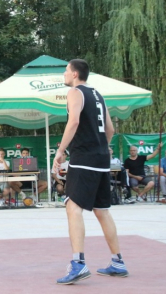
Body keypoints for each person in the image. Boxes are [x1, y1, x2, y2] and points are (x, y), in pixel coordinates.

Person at [53, 59, 128, 285]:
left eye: (66, 71)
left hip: (84, 158)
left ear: (75, 74)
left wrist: (61, 150)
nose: (64, 75)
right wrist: (100, 149)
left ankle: (78, 263)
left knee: (73, 207)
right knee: (102, 210)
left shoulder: (75, 93)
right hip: (101, 159)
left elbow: (74, 121)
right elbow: (111, 129)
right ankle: (117, 262)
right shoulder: (97, 94)